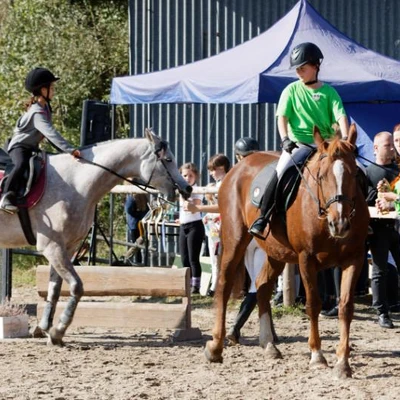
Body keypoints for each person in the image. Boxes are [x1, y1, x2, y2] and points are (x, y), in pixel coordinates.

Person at [249, 42, 349, 239]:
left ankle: (362, 218)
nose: (299, 72)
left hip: (326, 146)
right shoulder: (291, 90)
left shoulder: (329, 92)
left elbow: (341, 117)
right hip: (299, 144)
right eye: (297, 69)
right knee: (280, 172)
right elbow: (282, 117)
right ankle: (263, 217)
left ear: (315, 66)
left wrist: (345, 140)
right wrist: (285, 138)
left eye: (303, 68)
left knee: (356, 171)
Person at [0, 67, 80, 213]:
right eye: (52, 87)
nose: (54, 91)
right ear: (43, 90)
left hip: (31, 147)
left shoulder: (45, 109)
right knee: (20, 164)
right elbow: (51, 134)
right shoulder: (37, 113)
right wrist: (70, 150)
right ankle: (5, 196)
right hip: (19, 147)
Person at [366, 131, 400, 329]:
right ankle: (381, 312)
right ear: (376, 148)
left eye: (392, 144)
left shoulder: (397, 170)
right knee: (380, 270)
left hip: (396, 226)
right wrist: (376, 196)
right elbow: (364, 199)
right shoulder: (369, 172)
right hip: (378, 229)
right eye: (388, 145)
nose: (392, 147)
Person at [184, 154, 230, 297]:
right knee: (214, 257)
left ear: (221, 168)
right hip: (213, 226)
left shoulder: (225, 183)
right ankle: (215, 285)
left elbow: (222, 206)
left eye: (212, 170)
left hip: (222, 225)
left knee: (219, 257)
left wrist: (199, 209)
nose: (210, 173)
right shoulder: (216, 184)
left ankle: (220, 286)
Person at [177, 162, 205, 294]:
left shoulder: (197, 190)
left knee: (194, 258)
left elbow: (194, 207)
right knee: (184, 257)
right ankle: (186, 283)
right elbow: (183, 209)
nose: (187, 178)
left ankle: (196, 285)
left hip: (195, 225)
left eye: (190, 176)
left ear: (195, 177)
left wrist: (185, 199)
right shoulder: (181, 191)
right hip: (184, 226)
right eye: (184, 175)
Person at [124, 193, 149, 264]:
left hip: (134, 224)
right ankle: (138, 261)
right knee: (138, 244)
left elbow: (128, 209)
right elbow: (147, 209)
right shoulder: (143, 196)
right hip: (141, 223)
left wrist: (136, 215)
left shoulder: (131, 197)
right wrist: (141, 215)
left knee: (135, 244)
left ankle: (129, 259)